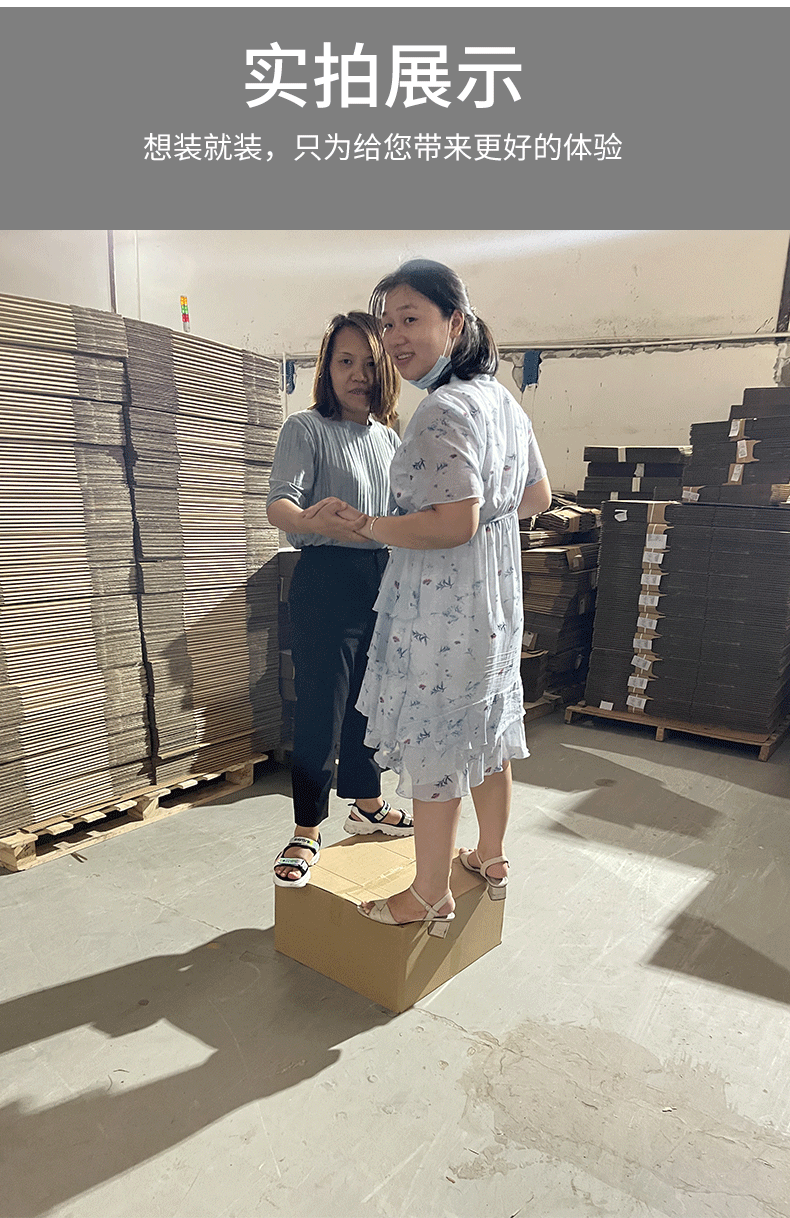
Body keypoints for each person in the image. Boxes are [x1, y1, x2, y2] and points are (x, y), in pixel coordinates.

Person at [309, 260, 551, 931]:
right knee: (487, 729)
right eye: (388, 324)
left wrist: (368, 525)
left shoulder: (442, 410)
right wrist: (484, 520)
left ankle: (428, 893)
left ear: (456, 322)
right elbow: (536, 495)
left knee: (436, 737)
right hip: (494, 598)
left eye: (411, 319)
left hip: (443, 607)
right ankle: (492, 858)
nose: (395, 337)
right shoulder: (499, 399)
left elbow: (451, 524)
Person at [266, 311, 413, 889]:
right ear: (326, 369)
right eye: (345, 361)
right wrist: (309, 519)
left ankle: (367, 804)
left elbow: (401, 515)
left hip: (381, 578)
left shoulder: (390, 439)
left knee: (370, 702)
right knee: (321, 707)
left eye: (371, 364)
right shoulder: (305, 429)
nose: (358, 375)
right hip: (326, 579)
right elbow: (279, 504)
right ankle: (306, 828)